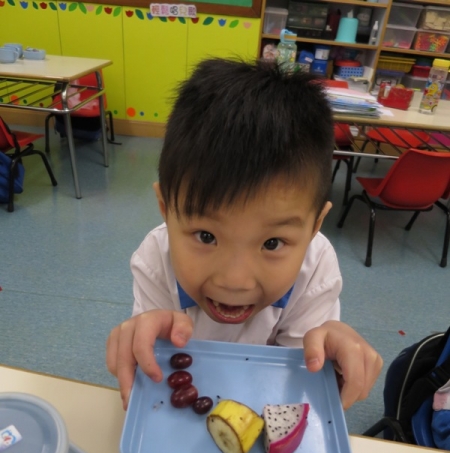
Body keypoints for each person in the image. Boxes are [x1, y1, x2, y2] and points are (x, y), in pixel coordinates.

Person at [106, 58, 382, 410]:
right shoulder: (155, 258)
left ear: (315, 226)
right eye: (206, 236)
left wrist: (325, 365)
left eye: (272, 243)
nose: (235, 281)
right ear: (165, 207)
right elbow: (161, 376)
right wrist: (144, 341)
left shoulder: (315, 267)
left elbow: (296, 385)